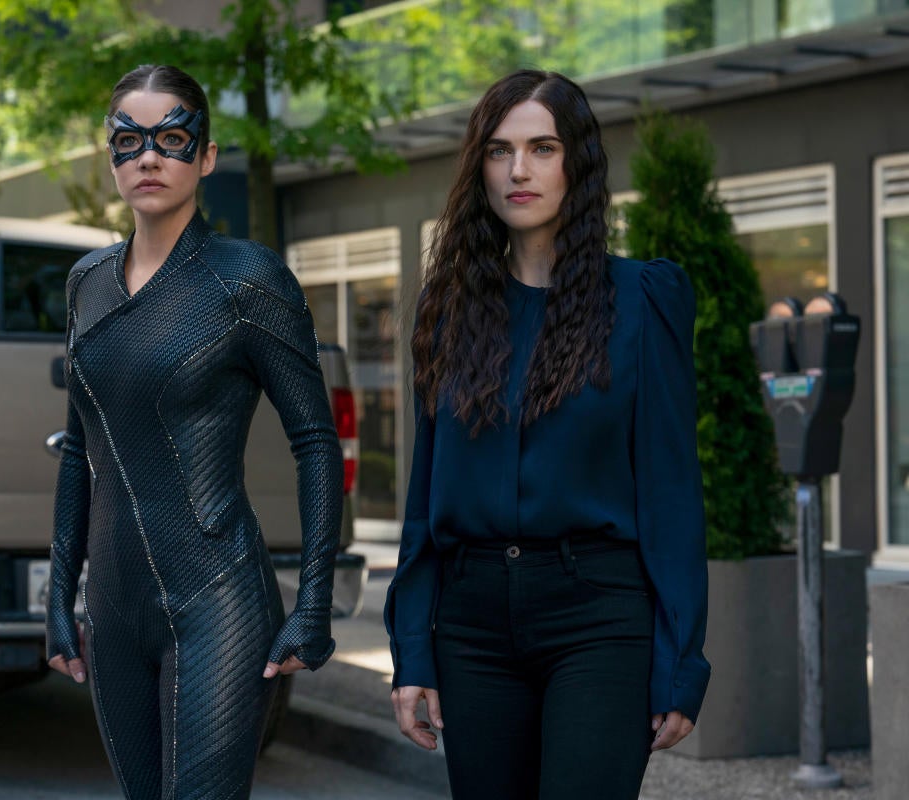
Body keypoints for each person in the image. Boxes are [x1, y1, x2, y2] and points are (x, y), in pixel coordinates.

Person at [384, 69, 711, 799]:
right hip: (471, 627)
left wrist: (681, 659)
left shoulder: (643, 301)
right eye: (499, 151)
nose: (519, 171)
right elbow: (424, 499)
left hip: (599, 618)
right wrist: (412, 648)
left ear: (578, 163)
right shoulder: (450, 309)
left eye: (543, 148)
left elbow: (671, 494)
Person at [45, 64, 343, 799]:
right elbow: (80, 450)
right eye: (129, 141)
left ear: (206, 157)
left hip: (218, 601)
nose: (148, 157)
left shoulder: (249, 279)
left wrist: (314, 602)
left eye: (172, 139)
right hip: (112, 608)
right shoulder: (86, 282)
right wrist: (58, 595)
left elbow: (315, 441)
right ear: (110, 155)